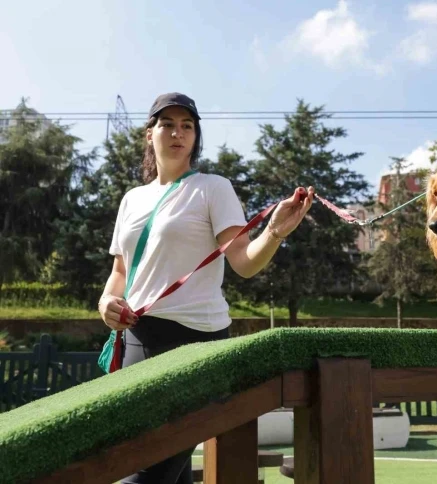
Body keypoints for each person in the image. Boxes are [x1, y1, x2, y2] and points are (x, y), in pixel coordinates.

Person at [97, 92, 314, 484]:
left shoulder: (213, 188)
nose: (177, 133)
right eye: (167, 124)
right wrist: (107, 301)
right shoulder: (132, 199)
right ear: (150, 133)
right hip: (136, 342)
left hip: (195, 344)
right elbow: (120, 272)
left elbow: (244, 262)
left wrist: (274, 232)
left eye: (187, 126)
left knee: (144, 469)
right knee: (166, 470)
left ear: (195, 136)